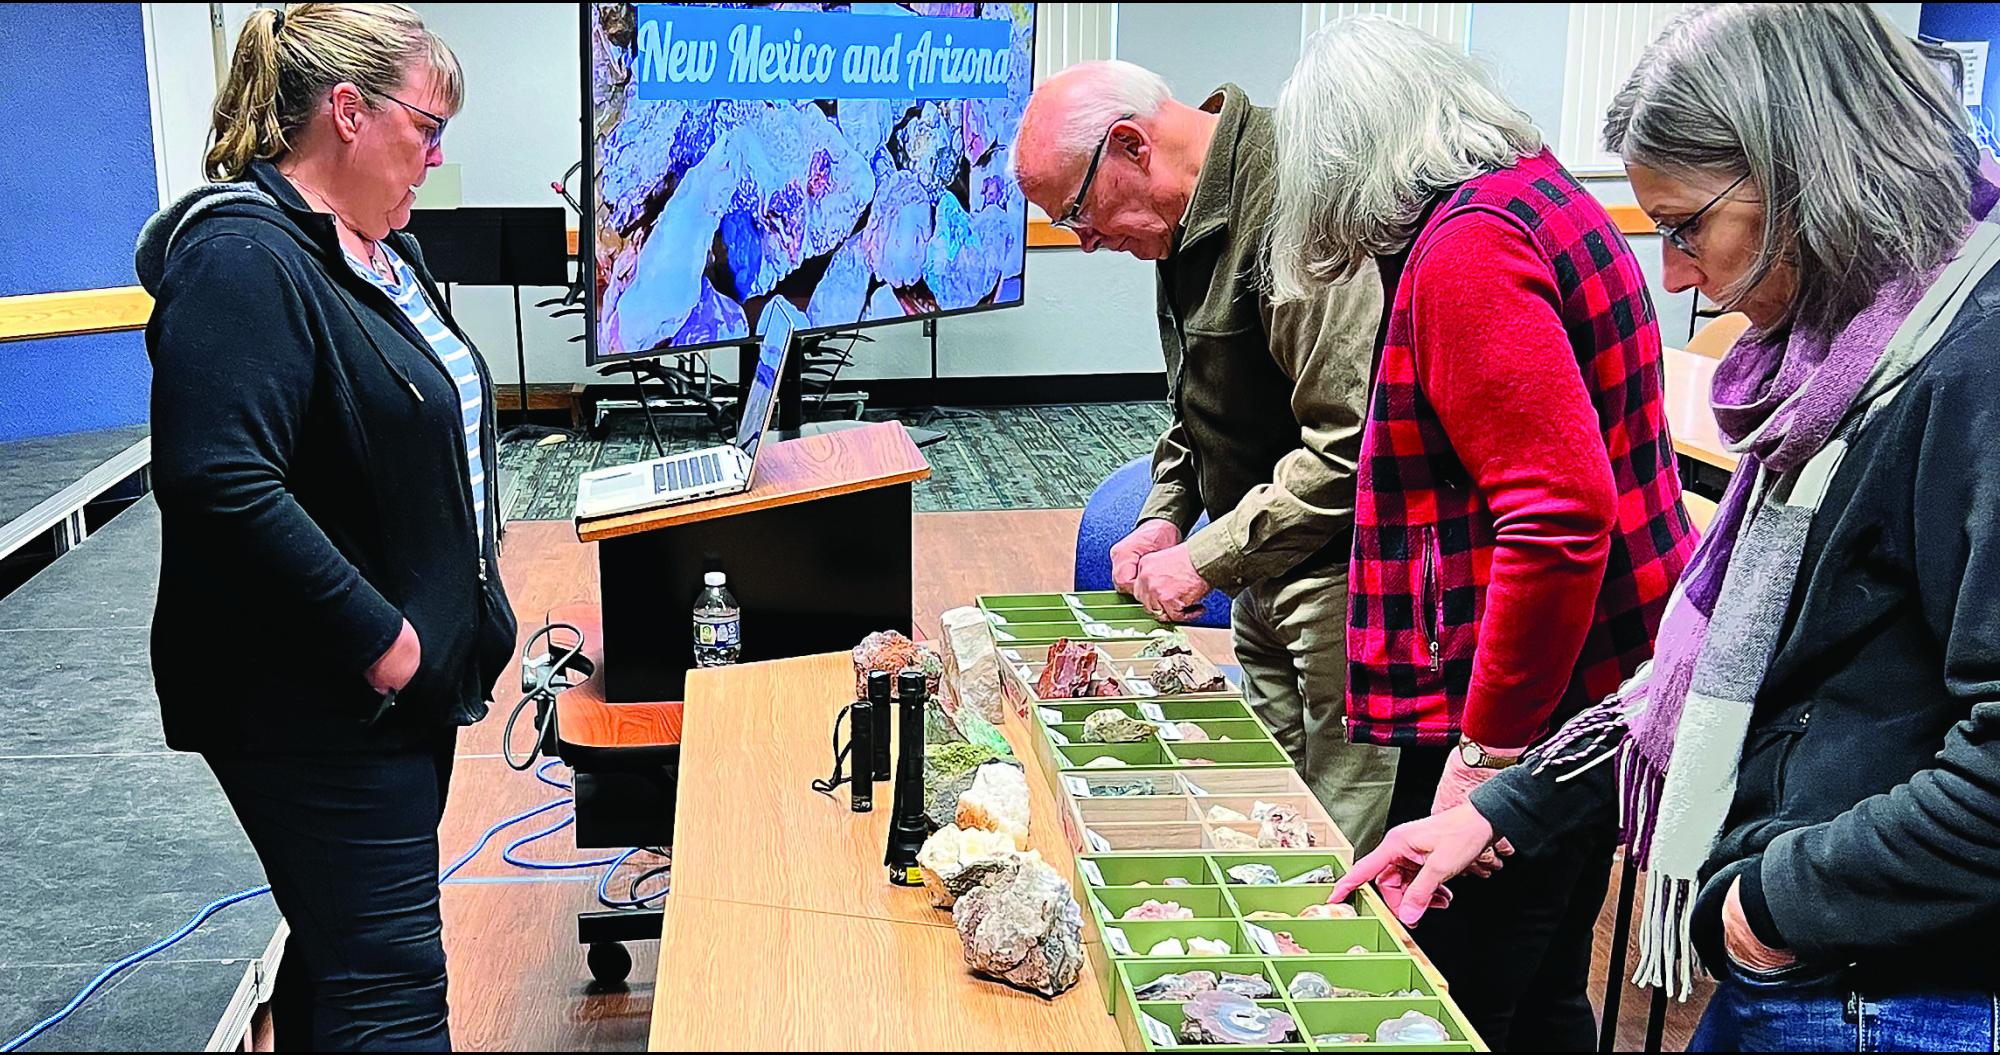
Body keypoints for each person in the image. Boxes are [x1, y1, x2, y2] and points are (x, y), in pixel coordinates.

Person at [1327, 4, 2000, 1052]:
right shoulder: (1847, 355)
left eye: (1686, 226)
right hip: (1817, 961)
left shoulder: (1970, 362)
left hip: (1886, 991)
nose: (1676, 272)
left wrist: (1766, 908)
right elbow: (1732, 664)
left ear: (1802, 169)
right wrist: (1497, 808)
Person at [1267, 15, 1697, 1051]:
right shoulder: (1542, 194)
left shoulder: (1465, 247)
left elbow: (1555, 519)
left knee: (1456, 996)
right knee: (1541, 978)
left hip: (1528, 700)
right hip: (1596, 679)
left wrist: (1481, 757)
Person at [135, 4, 514, 1049]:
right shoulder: (242, 262)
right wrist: (385, 642)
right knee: (390, 982)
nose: (436, 157)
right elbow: (219, 484)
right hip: (315, 696)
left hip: (398, 693)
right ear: (348, 112)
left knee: (343, 947)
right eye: (427, 127)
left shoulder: (379, 253)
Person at [1012, 61, 1400, 851]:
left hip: (1342, 574)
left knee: (1334, 848)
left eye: (1078, 213)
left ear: (1130, 145)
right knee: (1265, 821)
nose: (1084, 243)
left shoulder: (1296, 197)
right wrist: (1166, 516)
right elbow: (1199, 405)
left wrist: (1206, 557)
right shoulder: (1179, 219)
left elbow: (1349, 448)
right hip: (1264, 560)